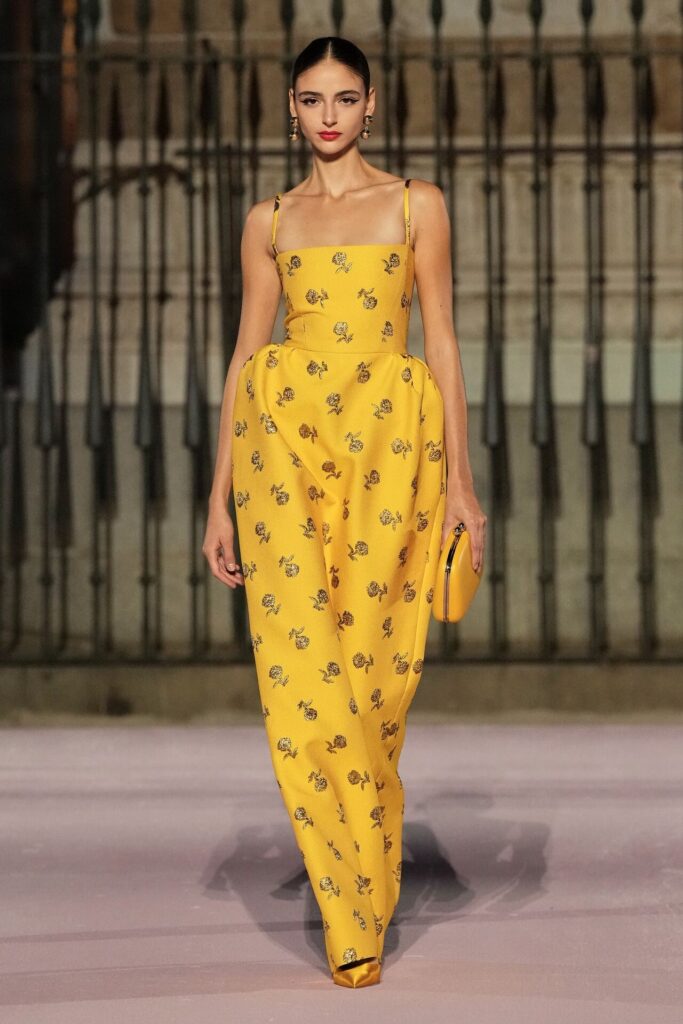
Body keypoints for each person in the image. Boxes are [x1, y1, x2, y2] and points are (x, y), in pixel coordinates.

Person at [203, 35, 486, 988]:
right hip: (280, 442)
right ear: (291, 110)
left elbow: (441, 342)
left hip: (389, 446)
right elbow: (246, 355)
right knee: (301, 676)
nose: (328, 115)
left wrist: (461, 483)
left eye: (344, 97)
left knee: (371, 673)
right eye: (311, 99)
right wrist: (217, 497)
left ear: (372, 106)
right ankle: (348, 907)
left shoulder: (415, 205)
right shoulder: (269, 219)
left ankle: (368, 859)